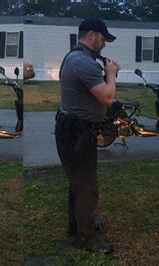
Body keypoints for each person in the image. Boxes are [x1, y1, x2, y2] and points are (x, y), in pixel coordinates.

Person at [55, 18, 119, 253]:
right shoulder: (83, 62)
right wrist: (111, 74)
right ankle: (87, 238)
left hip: (72, 129)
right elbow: (108, 99)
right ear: (92, 34)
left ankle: (77, 224)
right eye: (103, 39)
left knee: (77, 182)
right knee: (87, 187)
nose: (104, 45)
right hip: (77, 132)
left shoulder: (73, 57)